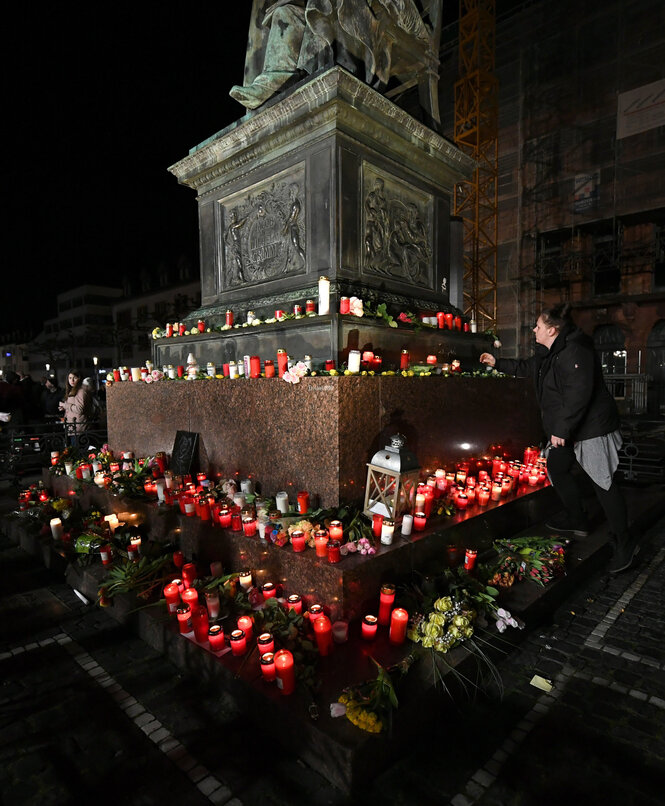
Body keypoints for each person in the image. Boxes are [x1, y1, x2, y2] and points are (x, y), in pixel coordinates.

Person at [479, 303, 639, 574]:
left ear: (552, 330)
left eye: (538, 326)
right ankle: (578, 519)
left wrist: (562, 430)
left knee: (604, 483)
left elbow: (579, 394)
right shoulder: (551, 351)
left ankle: (625, 543)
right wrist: (498, 363)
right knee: (556, 467)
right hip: (568, 428)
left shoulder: (575, 350)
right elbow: (530, 367)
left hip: (591, 429)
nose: (534, 329)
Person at [59, 370, 93, 441]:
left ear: (79, 378)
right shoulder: (73, 390)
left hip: (79, 429)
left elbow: (79, 409)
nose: (72, 380)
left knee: (77, 450)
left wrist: (65, 405)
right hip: (73, 428)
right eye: (70, 378)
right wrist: (64, 408)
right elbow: (73, 406)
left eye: (74, 378)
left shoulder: (81, 391)